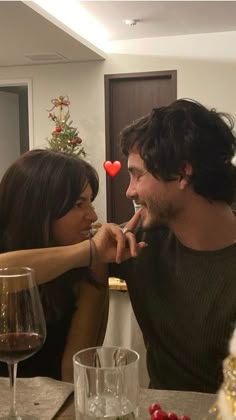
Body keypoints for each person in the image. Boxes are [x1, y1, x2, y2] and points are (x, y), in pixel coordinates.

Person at [110, 98, 236, 393]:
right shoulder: (139, 241)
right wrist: (89, 251)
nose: (129, 191)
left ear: (182, 173)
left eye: (137, 174)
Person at [0, 149, 145, 382]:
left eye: (90, 202)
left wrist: (92, 255)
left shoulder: (89, 267)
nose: (93, 215)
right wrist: (88, 251)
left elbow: (75, 371)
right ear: (39, 207)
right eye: (79, 204)